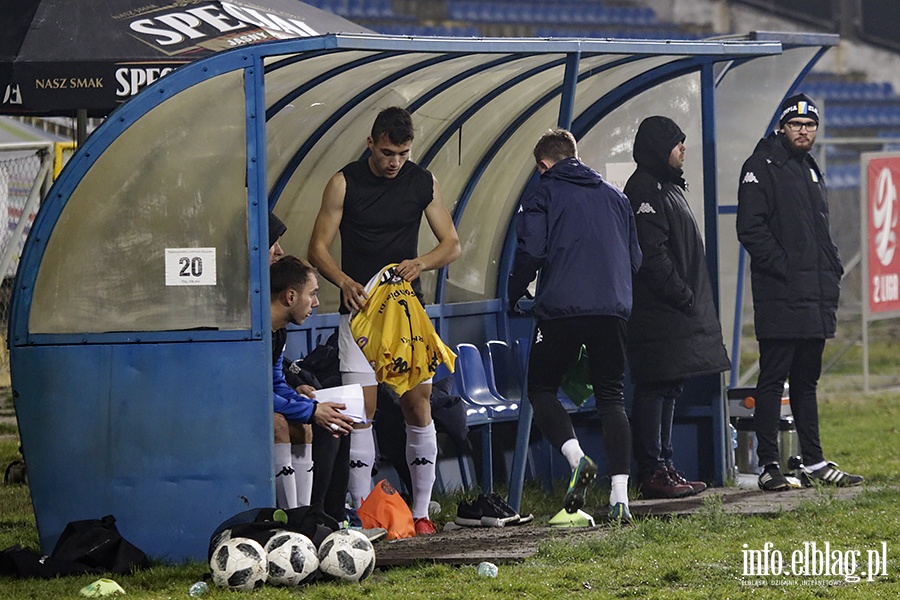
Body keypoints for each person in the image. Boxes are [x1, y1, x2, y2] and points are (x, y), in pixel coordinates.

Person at [308, 106, 461, 535]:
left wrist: (420, 263)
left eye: (404, 153)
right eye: (389, 152)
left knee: (418, 406)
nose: (395, 162)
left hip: (405, 314)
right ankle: (363, 516)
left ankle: (421, 512)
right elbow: (317, 247)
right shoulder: (343, 182)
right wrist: (342, 281)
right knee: (361, 413)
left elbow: (451, 244)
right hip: (358, 315)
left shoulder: (422, 180)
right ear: (371, 143)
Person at [508, 128, 642, 522]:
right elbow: (635, 259)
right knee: (612, 397)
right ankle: (620, 497)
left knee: (542, 388)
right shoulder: (616, 197)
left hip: (562, 310)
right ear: (575, 156)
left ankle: (576, 457)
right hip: (613, 310)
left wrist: (516, 292)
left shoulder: (544, 191)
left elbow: (532, 249)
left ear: (543, 164)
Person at [736, 94, 863, 491]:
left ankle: (814, 461)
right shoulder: (760, 167)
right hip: (781, 292)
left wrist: (831, 267)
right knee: (773, 378)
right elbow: (750, 229)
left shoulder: (810, 169)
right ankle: (769, 465)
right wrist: (786, 267)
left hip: (813, 292)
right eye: (796, 125)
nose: (804, 131)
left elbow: (819, 234)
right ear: (782, 127)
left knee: (807, 382)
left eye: (810, 126)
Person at [624, 116, 731, 499]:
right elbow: (652, 256)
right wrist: (682, 295)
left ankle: (665, 465)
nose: (683, 148)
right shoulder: (644, 190)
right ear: (657, 147)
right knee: (655, 387)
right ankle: (652, 470)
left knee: (670, 385)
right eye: (675, 142)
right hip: (659, 311)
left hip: (674, 313)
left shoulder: (668, 188)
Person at [269, 254, 355, 517]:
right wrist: (311, 410)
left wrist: (311, 406)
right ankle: (287, 521)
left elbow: (275, 383)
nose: (316, 303)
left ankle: (305, 516)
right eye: (313, 294)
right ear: (291, 297)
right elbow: (251, 393)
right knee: (281, 425)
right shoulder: (254, 332)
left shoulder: (279, 331)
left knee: (305, 427)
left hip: (257, 401)